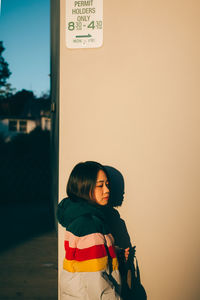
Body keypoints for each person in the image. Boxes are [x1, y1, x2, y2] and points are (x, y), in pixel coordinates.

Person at [57, 161, 130, 300]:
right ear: (84, 188)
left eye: (107, 184)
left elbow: (87, 262)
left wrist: (115, 252)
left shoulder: (80, 219)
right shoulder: (90, 225)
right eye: (100, 185)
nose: (107, 190)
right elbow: (97, 285)